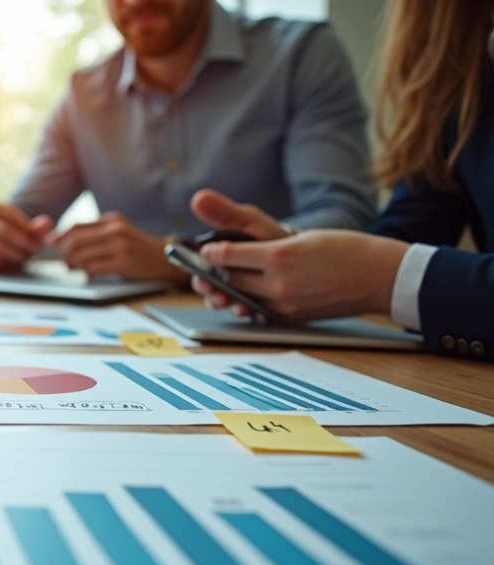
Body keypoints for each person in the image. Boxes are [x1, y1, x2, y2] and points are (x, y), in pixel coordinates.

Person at [0, 0, 376, 283]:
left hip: (274, 329)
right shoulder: (83, 95)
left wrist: (180, 258)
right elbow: (22, 220)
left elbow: (343, 219)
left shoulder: (300, 56)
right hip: (126, 335)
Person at [188, 0, 494, 361]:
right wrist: (290, 256)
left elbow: (386, 261)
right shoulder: (463, 53)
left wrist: (381, 277)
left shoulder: (301, 50)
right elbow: (413, 226)